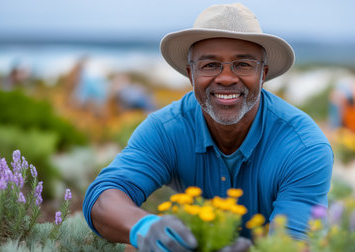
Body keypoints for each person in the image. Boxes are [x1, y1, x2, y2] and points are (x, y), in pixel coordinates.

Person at [83, 3, 333, 252]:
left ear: (263, 74)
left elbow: (294, 245)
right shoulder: (166, 130)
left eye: (243, 64)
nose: (226, 78)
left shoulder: (303, 147)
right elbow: (103, 196)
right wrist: (144, 227)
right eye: (210, 65)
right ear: (191, 74)